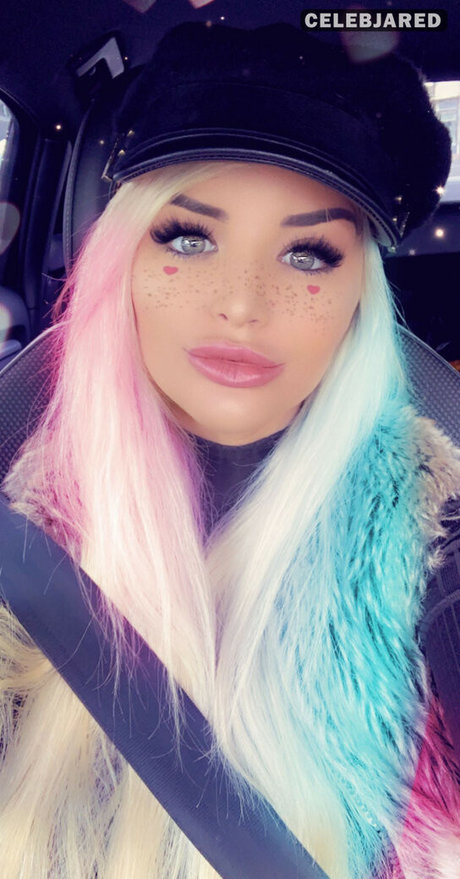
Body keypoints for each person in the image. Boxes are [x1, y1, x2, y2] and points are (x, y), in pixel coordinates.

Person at [0, 20, 459, 879]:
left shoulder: (436, 536)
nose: (243, 304)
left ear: (359, 297)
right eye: (189, 237)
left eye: (309, 253)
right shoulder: (22, 538)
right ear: (123, 262)